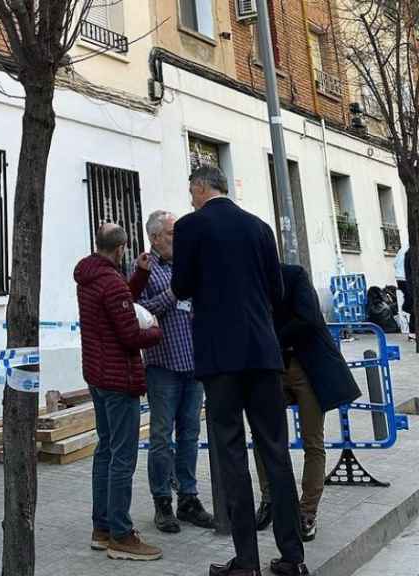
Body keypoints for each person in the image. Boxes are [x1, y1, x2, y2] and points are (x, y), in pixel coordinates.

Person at [171, 166, 307, 576]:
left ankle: (245, 560)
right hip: (263, 354)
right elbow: (277, 291)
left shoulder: (191, 227)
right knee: (275, 453)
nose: (191, 199)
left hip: (220, 358)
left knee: (231, 455)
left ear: (200, 186)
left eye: (191, 192)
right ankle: (292, 557)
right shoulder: (259, 227)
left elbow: (180, 286)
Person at [74, 223, 164, 562]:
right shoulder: (109, 283)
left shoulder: (91, 276)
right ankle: (121, 534)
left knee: (106, 450)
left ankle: (101, 528)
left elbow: (120, 300)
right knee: (122, 457)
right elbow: (129, 333)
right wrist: (156, 331)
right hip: (118, 379)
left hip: (97, 375)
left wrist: (139, 277)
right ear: (122, 248)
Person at [254, 264, 362, 543]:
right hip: (273, 368)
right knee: (265, 436)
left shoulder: (294, 275)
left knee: (313, 441)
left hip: (306, 367)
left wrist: (269, 338)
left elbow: (308, 318)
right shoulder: (251, 281)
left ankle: (307, 511)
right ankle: (270, 500)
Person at [137, 210, 215, 534]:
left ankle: (188, 498)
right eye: (171, 234)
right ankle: (162, 503)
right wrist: (175, 292)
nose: (177, 240)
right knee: (160, 437)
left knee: (190, 435)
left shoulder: (187, 263)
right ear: (155, 238)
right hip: (163, 366)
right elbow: (141, 312)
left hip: (192, 363)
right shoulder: (144, 268)